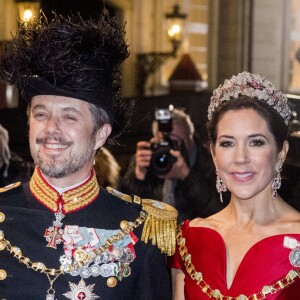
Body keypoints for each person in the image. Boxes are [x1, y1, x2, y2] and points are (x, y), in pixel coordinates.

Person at [0, 13, 177, 299]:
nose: (51, 129)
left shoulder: (141, 228)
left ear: (100, 135)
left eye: (69, 117)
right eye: (41, 114)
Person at [170, 72, 300, 299]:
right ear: (213, 154)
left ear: (281, 153)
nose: (240, 158)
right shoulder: (188, 239)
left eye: (256, 142)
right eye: (227, 143)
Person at [120, 107, 227, 223]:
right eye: (164, 141)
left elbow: (219, 212)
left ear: (190, 138)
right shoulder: (147, 161)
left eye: (176, 142)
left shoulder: (210, 163)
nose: (169, 148)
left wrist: (187, 177)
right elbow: (125, 213)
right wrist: (138, 178)